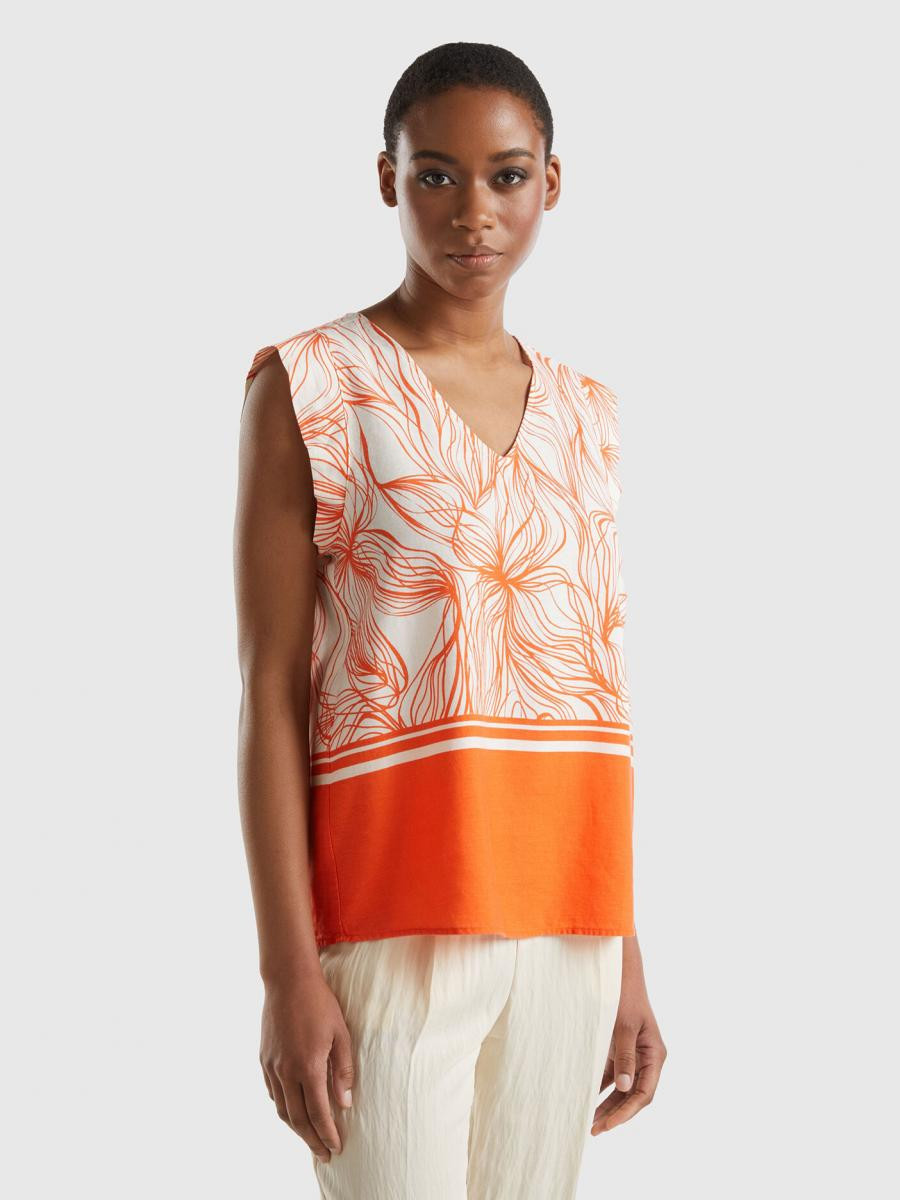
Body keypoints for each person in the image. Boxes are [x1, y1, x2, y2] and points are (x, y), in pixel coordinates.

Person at [234, 40, 666, 1200]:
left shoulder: (588, 415)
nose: (474, 212)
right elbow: (271, 692)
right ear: (388, 179)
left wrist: (622, 951)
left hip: (568, 934)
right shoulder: (315, 384)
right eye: (436, 175)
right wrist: (287, 972)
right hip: (387, 925)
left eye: (507, 176)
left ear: (550, 184)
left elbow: (588, 689)